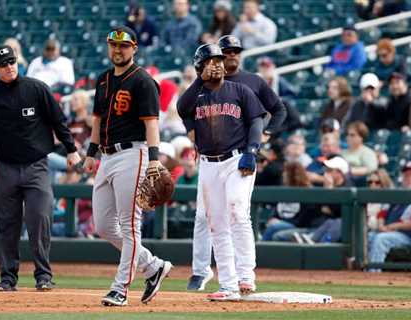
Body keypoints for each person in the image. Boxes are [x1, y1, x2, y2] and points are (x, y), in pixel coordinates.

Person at [0, 45, 81, 291]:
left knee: (40, 218)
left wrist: (71, 149)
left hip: (37, 165)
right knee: (8, 224)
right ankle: (8, 278)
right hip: (6, 167)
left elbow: (57, 120)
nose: (10, 67)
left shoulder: (36, 89)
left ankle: (43, 276)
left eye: (12, 62)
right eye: (4, 64)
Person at [177, 35, 287, 291]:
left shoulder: (243, 88)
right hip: (208, 163)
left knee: (237, 211)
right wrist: (199, 78)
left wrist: (252, 150)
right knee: (215, 222)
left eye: (220, 59)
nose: (219, 63)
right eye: (212, 60)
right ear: (200, 66)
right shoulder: (198, 94)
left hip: (237, 158)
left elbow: (258, 119)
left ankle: (246, 275)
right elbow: (182, 109)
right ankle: (227, 284)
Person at [82, 26, 172, 307]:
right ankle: (153, 265)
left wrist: (155, 158)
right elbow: (97, 120)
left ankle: (120, 288)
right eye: (113, 45)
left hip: (133, 153)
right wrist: (91, 152)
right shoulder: (103, 79)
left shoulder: (143, 81)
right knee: (105, 227)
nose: (117, 50)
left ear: (134, 48)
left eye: (123, 45)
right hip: (106, 157)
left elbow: (151, 124)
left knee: (129, 225)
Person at [367, 161, 411, 272]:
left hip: (409, 237)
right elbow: (382, 212)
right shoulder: (399, 192)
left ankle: (372, 274)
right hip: (391, 232)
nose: (409, 178)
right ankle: (360, 270)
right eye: (406, 175)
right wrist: (382, 225)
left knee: (381, 239)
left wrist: (392, 227)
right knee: (368, 237)